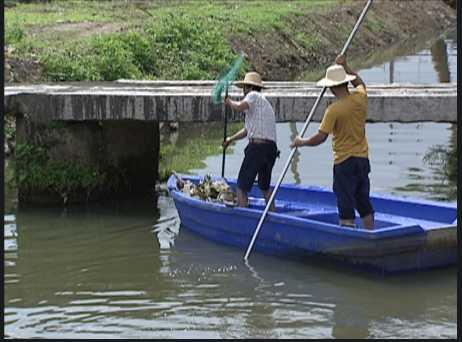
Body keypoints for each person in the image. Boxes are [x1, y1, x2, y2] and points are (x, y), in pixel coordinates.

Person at [291, 55, 374, 229]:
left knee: (345, 202)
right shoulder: (360, 98)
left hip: (344, 161)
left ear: (332, 87)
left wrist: (301, 141)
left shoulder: (334, 110)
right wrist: (347, 66)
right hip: (362, 159)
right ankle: (369, 232)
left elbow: (321, 137)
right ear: (345, 82)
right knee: (363, 200)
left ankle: (348, 233)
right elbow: (360, 83)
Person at [223, 71, 278, 211]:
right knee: (264, 186)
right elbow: (247, 131)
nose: (243, 91)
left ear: (248, 87)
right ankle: (273, 214)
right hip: (271, 149)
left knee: (241, 187)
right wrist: (230, 139)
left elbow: (239, 106)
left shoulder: (253, 95)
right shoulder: (262, 104)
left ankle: (243, 215)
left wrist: (229, 102)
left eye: (244, 88)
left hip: (258, 148)